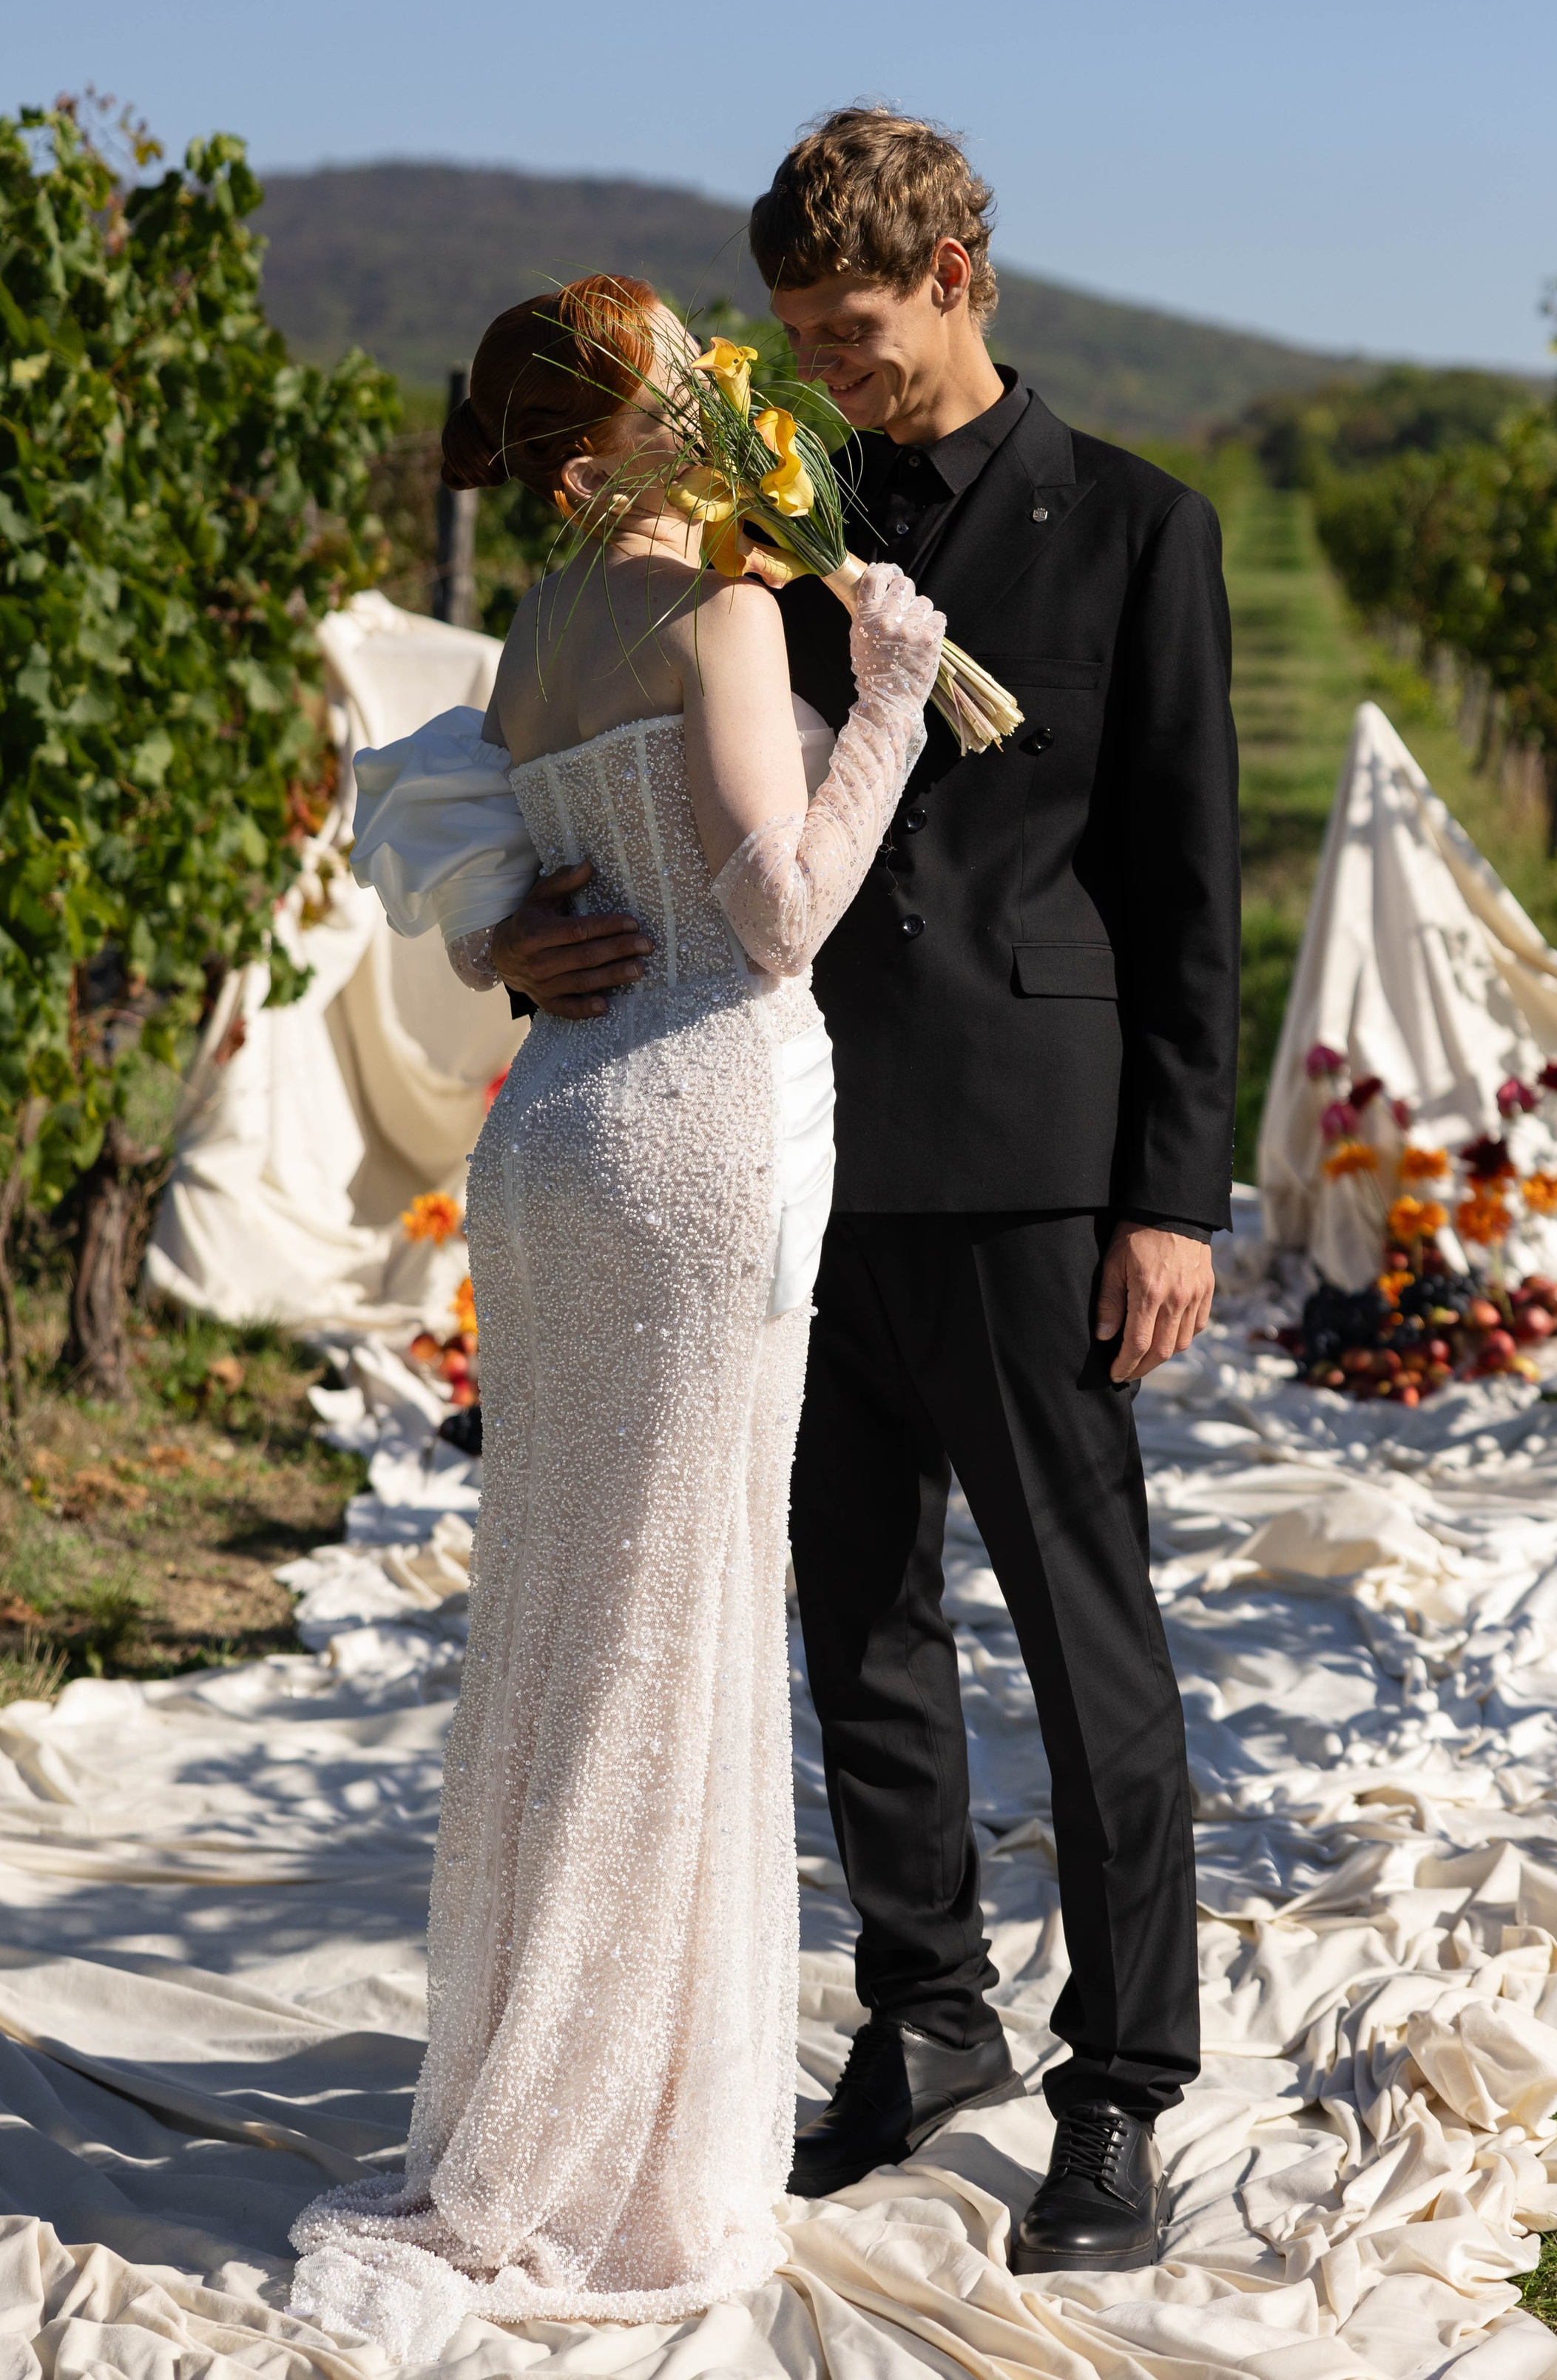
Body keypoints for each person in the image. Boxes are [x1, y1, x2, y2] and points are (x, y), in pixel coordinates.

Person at [497, 114, 1242, 2275]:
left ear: (963, 273)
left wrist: (1168, 1200)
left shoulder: (1136, 528)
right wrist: (512, 929)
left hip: (1033, 1166)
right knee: (858, 1626)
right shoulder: (748, 534)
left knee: (1086, 1631)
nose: (836, 373)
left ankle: (1122, 2090)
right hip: (784, 1155)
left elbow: (1187, 894)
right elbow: (633, 776)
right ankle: (928, 2017)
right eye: (803, 341)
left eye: (865, 331)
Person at [288, 275, 944, 2360]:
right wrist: (902, 694)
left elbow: (530, 874)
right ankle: (630, 2159)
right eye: (682, 379)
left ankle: (516, 2098)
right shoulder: (732, 622)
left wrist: (517, 943)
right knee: (676, 1624)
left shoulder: (533, 636)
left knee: (565, 1619)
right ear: (616, 438)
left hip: (555, 1138)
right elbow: (769, 916)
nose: (714, 395)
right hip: (690, 1140)